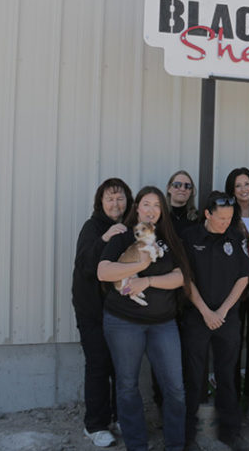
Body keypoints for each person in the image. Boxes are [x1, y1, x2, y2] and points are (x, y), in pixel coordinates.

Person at [97, 186, 191, 451]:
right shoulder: (123, 236)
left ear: (162, 212)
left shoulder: (170, 240)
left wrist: (146, 280)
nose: (151, 210)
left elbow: (182, 277)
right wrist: (138, 267)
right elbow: (103, 272)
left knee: (175, 388)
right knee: (127, 386)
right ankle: (137, 445)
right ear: (137, 208)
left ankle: (175, 444)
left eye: (157, 206)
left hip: (163, 324)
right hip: (123, 322)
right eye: (146, 204)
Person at [180, 192, 249, 451]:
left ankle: (230, 433)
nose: (225, 223)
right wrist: (205, 312)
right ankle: (186, 436)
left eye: (229, 218)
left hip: (227, 317)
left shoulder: (235, 236)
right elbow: (185, 279)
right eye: (220, 218)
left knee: (227, 375)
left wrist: (221, 311)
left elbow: (244, 277)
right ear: (207, 214)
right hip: (197, 317)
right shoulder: (189, 237)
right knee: (193, 376)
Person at [72, 178, 133, 447]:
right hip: (92, 311)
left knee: (123, 367)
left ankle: (121, 417)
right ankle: (95, 425)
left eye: (120, 198)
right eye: (110, 198)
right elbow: (85, 264)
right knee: (98, 365)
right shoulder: (92, 227)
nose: (115, 203)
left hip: (122, 311)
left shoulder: (131, 228)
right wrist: (105, 238)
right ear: (100, 202)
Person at [223, 167, 249, 411]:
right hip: (235, 290)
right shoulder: (227, 215)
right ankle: (232, 400)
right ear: (232, 189)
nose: (243, 189)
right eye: (238, 185)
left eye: (246, 184)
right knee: (233, 344)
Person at [166, 170, 198, 237]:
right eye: (177, 185)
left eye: (188, 186)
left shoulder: (198, 218)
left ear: (191, 191)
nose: (183, 189)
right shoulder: (160, 215)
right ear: (169, 188)